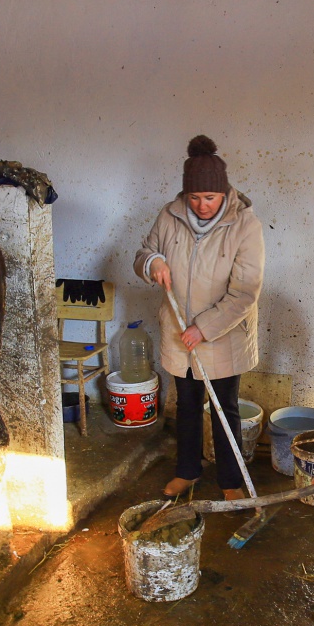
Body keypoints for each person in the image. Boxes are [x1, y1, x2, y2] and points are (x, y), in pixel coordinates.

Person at [134, 136, 265, 500]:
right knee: (187, 405)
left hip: (223, 333)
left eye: (210, 198)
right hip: (178, 330)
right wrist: (152, 262)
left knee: (225, 409)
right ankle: (188, 472)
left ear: (223, 193)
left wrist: (203, 328)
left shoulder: (244, 226)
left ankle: (230, 481)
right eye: (195, 198)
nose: (202, 205)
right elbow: (144, 252)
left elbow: (244, 292)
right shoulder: (170, 215)